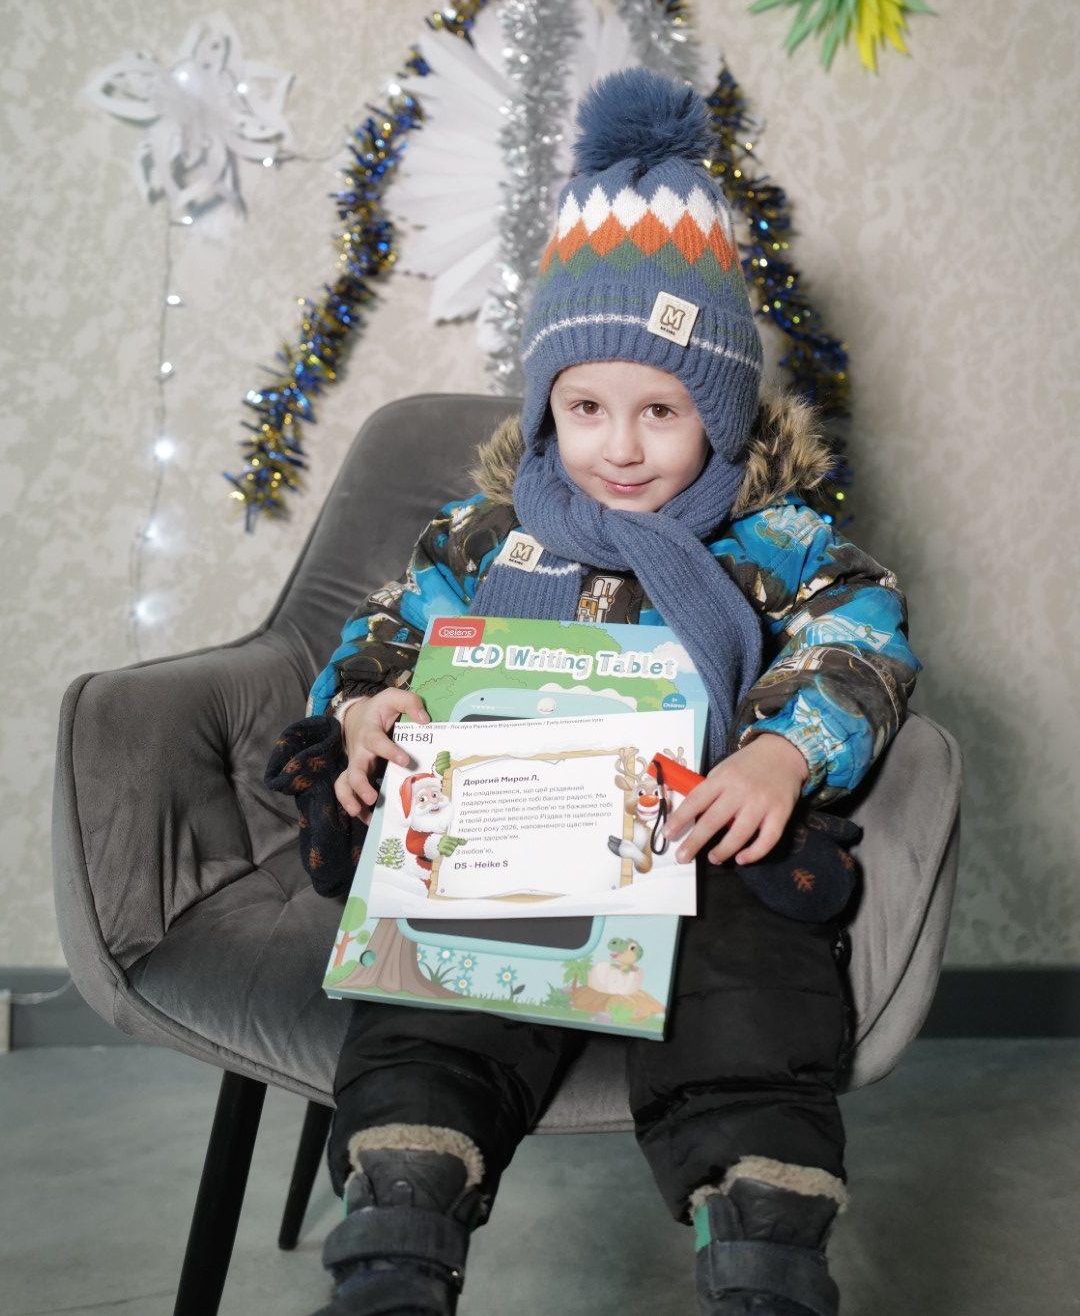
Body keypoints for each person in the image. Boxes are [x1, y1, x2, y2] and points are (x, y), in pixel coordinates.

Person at [267, 68, 919, 1316]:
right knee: (435, 988)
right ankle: (399, 1221)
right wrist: (367, 706)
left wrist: (781, 751)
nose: (620, 446)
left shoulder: (774, 539)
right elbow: (383, 632)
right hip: (511, 833)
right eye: (585, 407)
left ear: (718, 411)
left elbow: (862, 634)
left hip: (695, 834)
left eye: (662, 409)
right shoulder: (485, 536)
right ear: (546, 404)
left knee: (752, 985)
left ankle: (763, 1236)